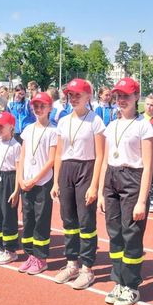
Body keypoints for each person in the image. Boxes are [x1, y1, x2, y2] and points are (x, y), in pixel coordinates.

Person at [97, 77, 153, 305]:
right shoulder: (111, 126)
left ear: (136, 97)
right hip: (111, 178)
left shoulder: (144, 126)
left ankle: (131, 285)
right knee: (114, 233)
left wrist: (142, 200)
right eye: (118, 96)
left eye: (126, 96)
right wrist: (101, 191)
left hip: (133, 179)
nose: (121, 100)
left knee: (131, 234)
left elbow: (149, 166)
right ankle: (118, 280)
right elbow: (104, 161)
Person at [51, 79, 105, 289]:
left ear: (87, 97)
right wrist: (56, 181)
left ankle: (87, 268)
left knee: (85, 220)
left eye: (77, 95)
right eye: (70, 95)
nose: (73, 99)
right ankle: (71, 263)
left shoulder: (95, 121)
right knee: (68, 219)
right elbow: (58, 154)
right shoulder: (63, 121)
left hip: (86, 169)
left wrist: (94, 186)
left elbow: (100, 156)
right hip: (67, 170)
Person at [17, 92, 57, 275]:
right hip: (27, 182)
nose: (38, 109)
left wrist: (34, 179)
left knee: (41, 220)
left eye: (42, 106)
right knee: (28, 219)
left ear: (50, 108)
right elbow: (22, 156)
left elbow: (51, 160)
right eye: (36, 106)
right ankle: (30, 255)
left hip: (42, 183)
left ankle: (41, 258)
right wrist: (21, 180)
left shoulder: (53, 131)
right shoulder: (28, 129)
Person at [0, 112, 21, 265]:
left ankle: (10, 249)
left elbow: (19, 169)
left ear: (11, 127)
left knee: (9, 216)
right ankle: (0, 246)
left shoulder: (16, 146)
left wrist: (16, 190)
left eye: (1, 126)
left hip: (10, 179)